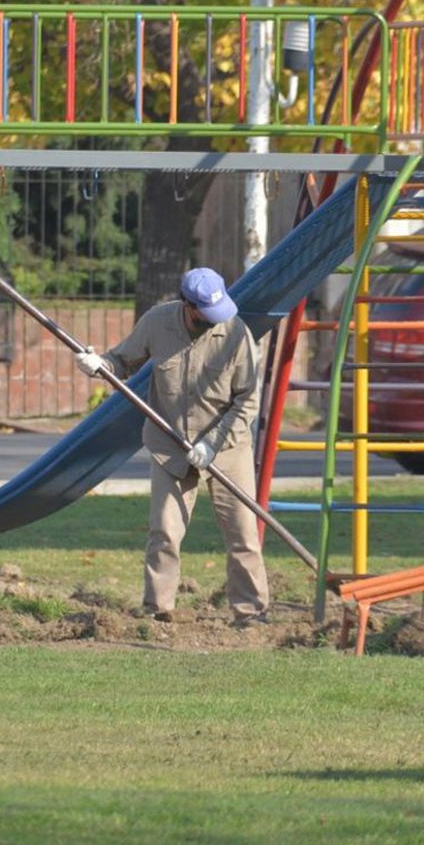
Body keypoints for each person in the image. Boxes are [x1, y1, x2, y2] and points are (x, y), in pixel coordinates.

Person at [74, 267, 269, 626]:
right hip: (170, 444)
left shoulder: (236, 334)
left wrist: (211, 444)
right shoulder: (157, 323)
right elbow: (122, 361)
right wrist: (99, 364)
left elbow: (247, 401)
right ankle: (158, 610)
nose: (214, 320)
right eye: (205, 313)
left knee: (243, 533)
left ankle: (251, 611)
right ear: (187, 305)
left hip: (227, 447)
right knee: (164, 530)